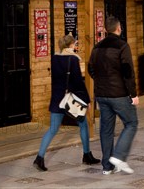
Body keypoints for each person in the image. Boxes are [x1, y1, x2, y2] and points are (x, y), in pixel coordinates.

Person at [33, 35, 100, 171]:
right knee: (83, 125)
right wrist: (87, 100)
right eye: (75, 43)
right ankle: (87, 155)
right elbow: (78, 82)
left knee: (52, 129)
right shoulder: (73, 59)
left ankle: (39, 158)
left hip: (58, 99)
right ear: (70, 45)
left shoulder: (55, 58)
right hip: (72, 100)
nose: (76, 46)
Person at [88, 16, 138, 175]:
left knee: (106, 129)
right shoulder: (123, 46)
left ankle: (107, 167)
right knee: (131, 123)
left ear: (106, 30)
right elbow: (127, 72)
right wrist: (133, 94)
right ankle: (118, 156)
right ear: (118, 29)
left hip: (102, 95)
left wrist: (100, 81)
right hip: (119, 94)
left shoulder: (96, 47)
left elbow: (90, 69)